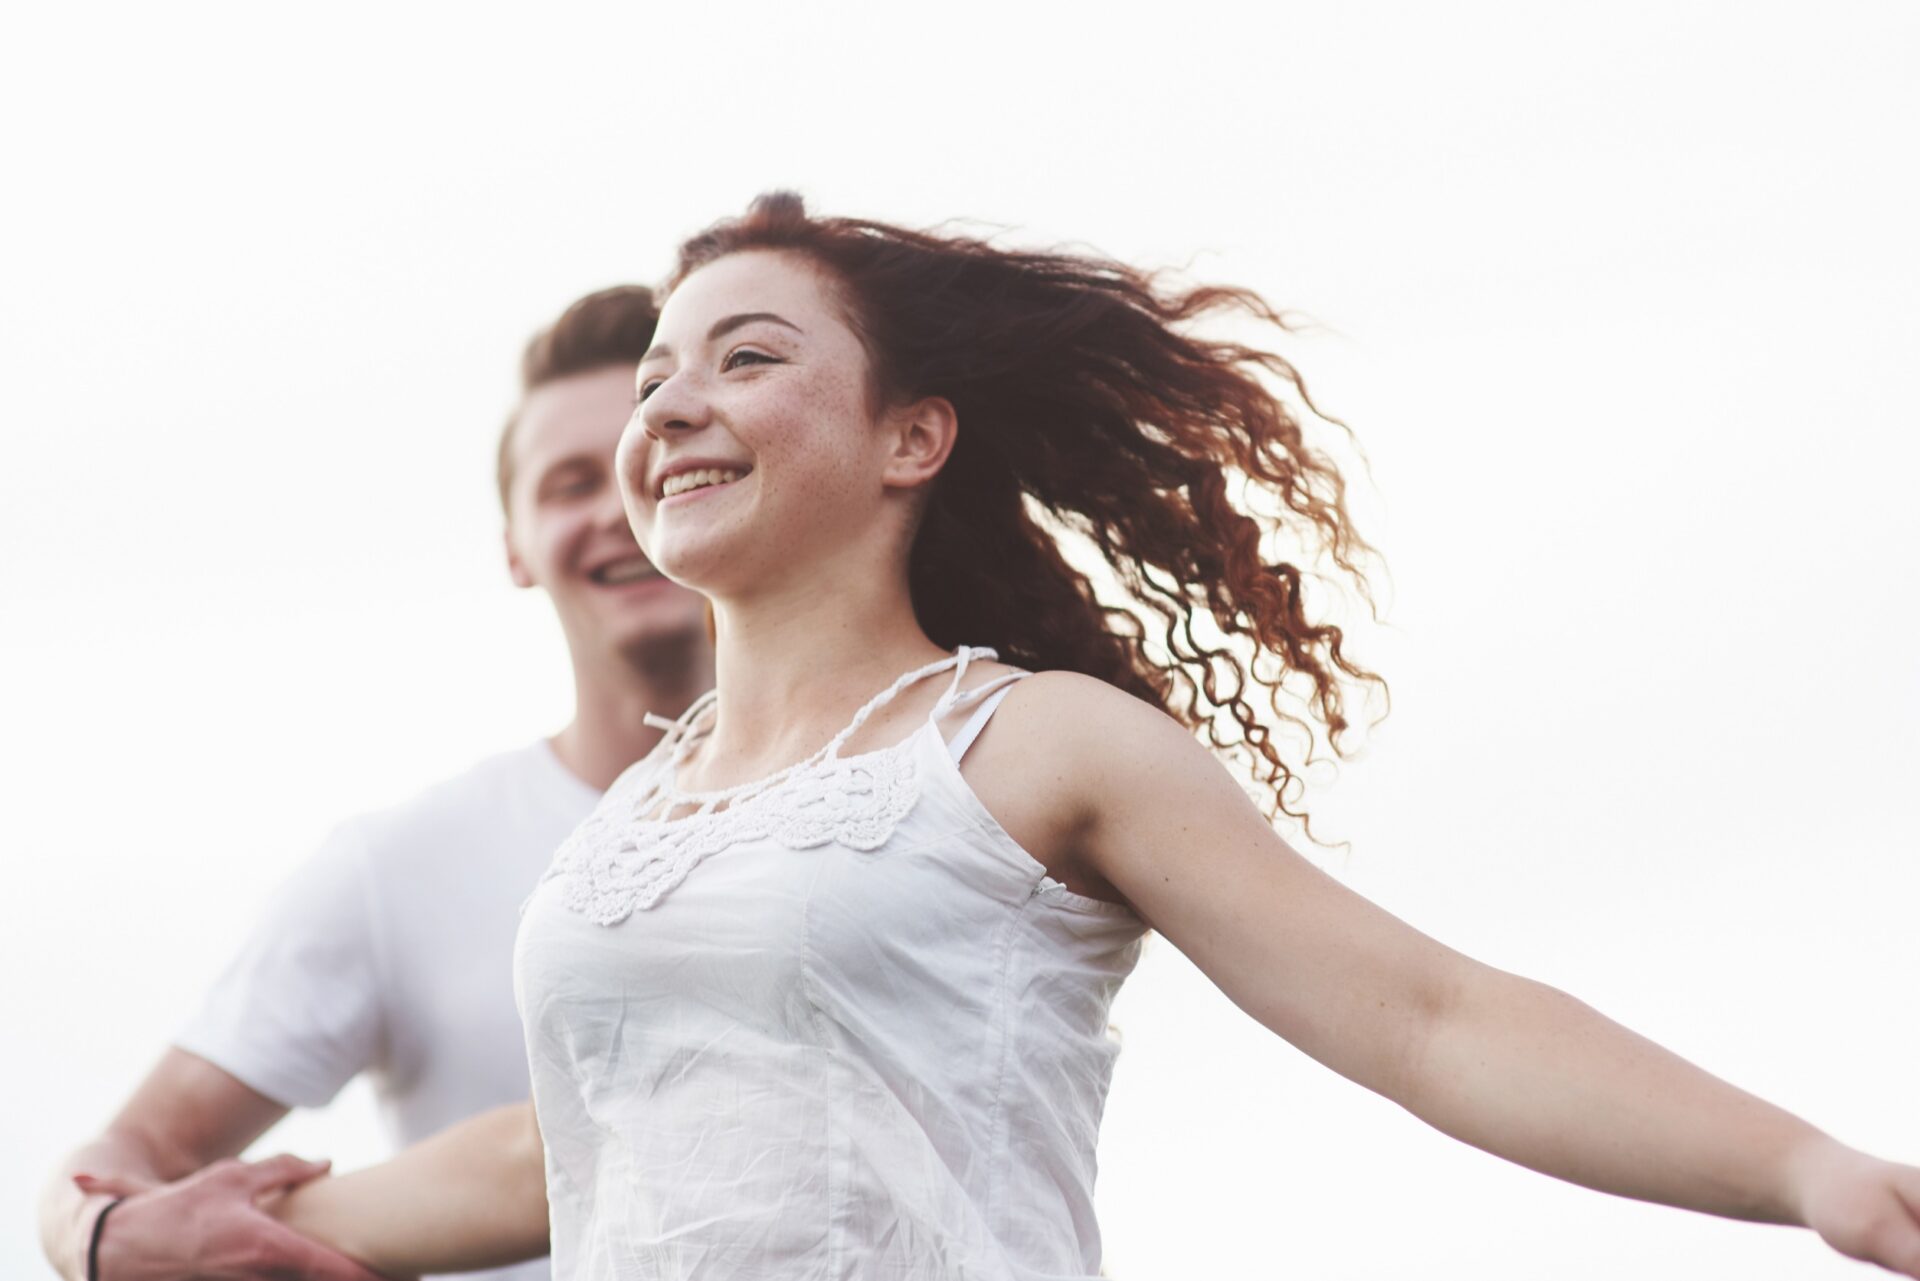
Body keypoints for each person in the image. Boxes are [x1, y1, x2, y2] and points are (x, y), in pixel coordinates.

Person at [145, 193, 1920, 1280]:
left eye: (745, 358)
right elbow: (555, 1153)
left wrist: (1803, 1171)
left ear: (912, 440)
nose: (674, 404)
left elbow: (1429, 1018)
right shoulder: (632, 826)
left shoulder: (1031, 743)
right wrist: (162, 1228)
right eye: (666, 370)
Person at [39, 286, 715, 1281]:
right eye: (569, 484)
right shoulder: (398, 865)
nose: (618, 505)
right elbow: (124, 1161)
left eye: (651, 459)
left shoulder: (889, 816)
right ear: (515, 549)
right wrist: (91, 1237)